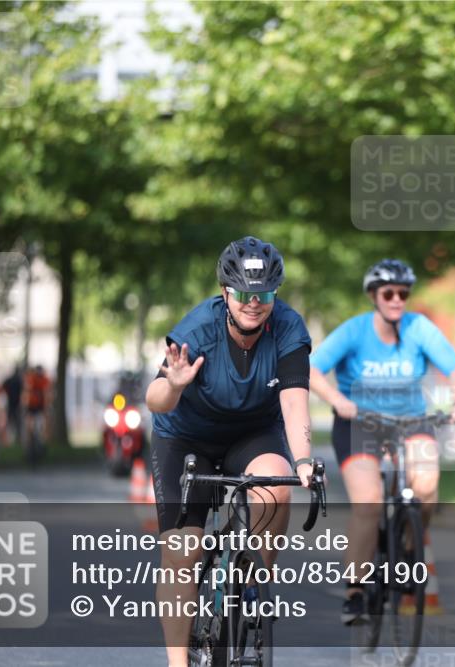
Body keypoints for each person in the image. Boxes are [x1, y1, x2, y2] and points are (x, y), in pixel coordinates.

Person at [145, 235, 314, 667]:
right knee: (182, 551)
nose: (253, 303)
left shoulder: (290, 328)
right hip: (187, 436)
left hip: (252, 433)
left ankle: (252, 581)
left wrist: (304, 460)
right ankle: (179, 663)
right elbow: (155, 399)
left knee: (277, 488)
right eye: (243, 294)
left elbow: (294, 400)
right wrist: (175, 384)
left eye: (264, 294)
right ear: (226, 292)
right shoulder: (198, 329)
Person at [309, 259, 455, 625]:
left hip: (411, 420)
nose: (397, 299)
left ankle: (409, 549)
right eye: (389, 293)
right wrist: (338, 401)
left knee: (427, 484)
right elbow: (312, 370)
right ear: (374, 296)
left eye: (403, 293)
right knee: (368, 504)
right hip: (359, 424)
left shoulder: (419, 328)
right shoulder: (354, 331)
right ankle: (354, 591)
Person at [22, 365, 51, 456]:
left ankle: (42, 441)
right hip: (31, 407)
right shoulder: (31, 379)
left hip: (40, 407)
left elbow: (47, 395)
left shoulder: (44, 380)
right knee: (29, 426)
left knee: (43, 424)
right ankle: (28, 445)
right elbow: (26, 393)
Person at [2, 365, 24, 445]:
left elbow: (3, 386)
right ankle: (16, 439)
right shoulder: (19, 381)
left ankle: (9, 440)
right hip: (16, 405)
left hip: (11, 404)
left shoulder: (9, 380)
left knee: (10, 422)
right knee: (17, 422)